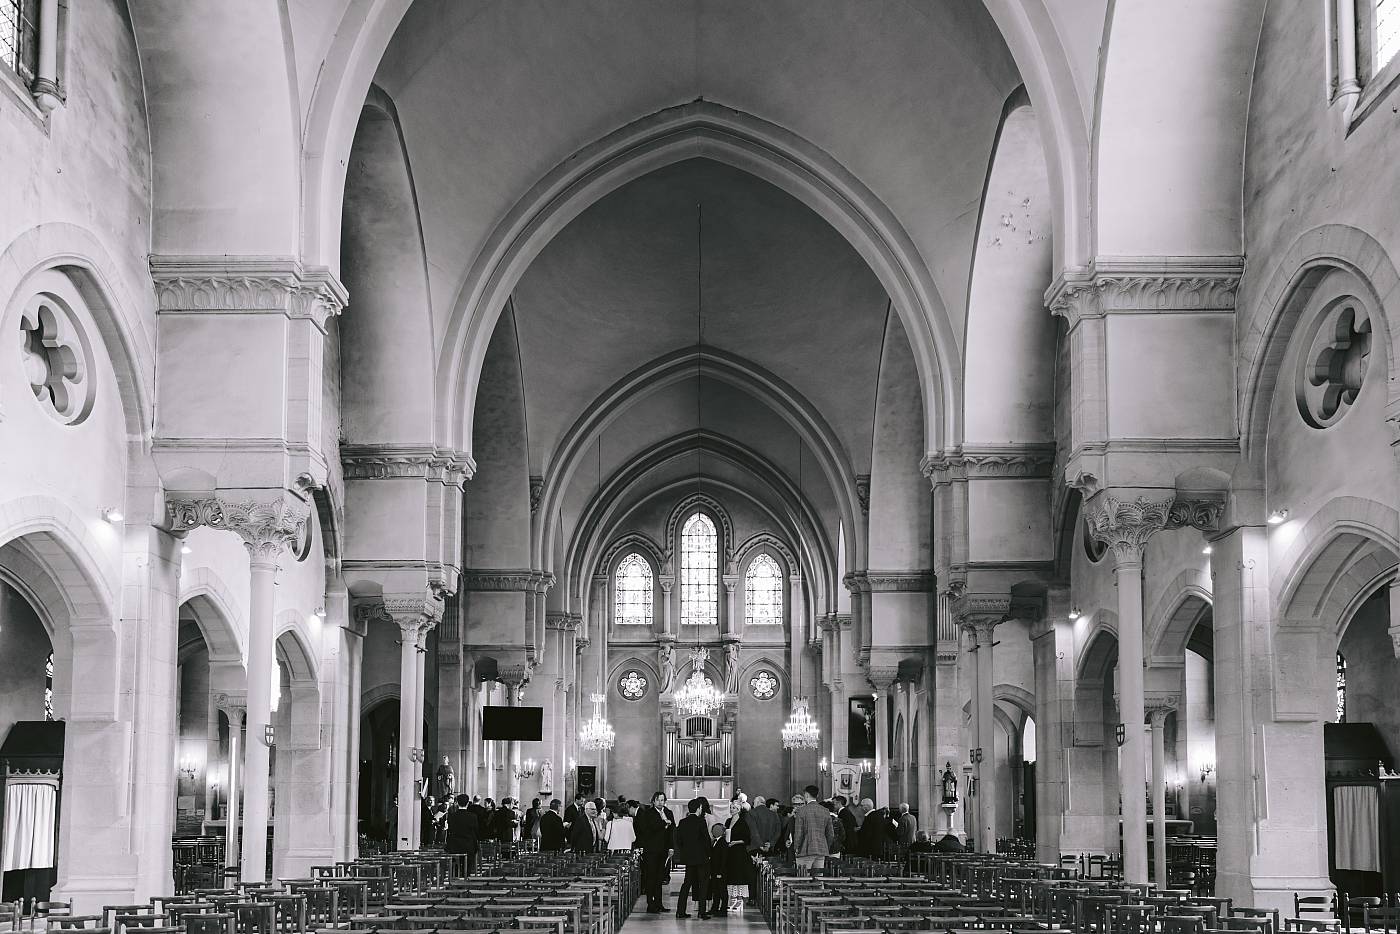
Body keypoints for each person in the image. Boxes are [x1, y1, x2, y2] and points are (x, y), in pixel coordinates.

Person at [636, 791, 677, 913]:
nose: (661, 802)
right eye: (658, 800)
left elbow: (672, 831)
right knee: (651, 877)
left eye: (663, 800)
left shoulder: (668, 813)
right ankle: (650, 904)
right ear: (653, 801)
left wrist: (671, 847)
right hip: (651, 850)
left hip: (664, 850)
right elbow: (648, 829)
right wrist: (664, 823)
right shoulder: (647, 813)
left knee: (660, 878)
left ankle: (659, 904)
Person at [674, 797, 712, 919]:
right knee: (703, 884)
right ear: (699, 808)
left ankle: (680, 911)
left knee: (686, 884)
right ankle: (702, 911)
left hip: (689, 858)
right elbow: (706, 840)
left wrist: (685, 851)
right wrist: (709, 854)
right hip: (701, 858)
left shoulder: (682, 822)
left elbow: (678, 840)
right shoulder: (701, 822)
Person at [791, 785, 834, 873]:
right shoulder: (825, 810)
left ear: (806, 795)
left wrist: (796, 848)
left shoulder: (801, 811)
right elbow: (831, 834)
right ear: (817, 795)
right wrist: (825, 846)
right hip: (821, 850)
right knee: (818, 879)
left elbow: (798, 833)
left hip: (805, 850)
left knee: (803, 880)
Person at [724, 803, 754, 911]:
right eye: (731, 808)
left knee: (739, 875)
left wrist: (735, 842)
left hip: (739, 851)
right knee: (731, 874)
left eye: (734, 808)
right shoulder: (728, 821)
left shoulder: (742, 822)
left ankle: (740, 900)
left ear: (738, 810)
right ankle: (732, 899)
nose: (732, 810)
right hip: (729, 852)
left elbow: (747, 839)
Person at [444, 793, 481, 874]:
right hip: (469, 845)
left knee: (455, 868)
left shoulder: (452, 816)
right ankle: (466, 881)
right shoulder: (473, 816)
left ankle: (455, 880)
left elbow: (450, 830)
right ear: (467, 803)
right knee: (467, 868)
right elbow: (476, 831)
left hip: (455, 845)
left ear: (457, 803)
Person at [706, 823, 729, 916]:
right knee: (715, 891)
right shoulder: (714, 841)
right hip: (714, 871)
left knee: (722, 891)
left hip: (720, 871)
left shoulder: (723, 843)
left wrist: (720, 872)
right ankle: (714, 908)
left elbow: (724, 859)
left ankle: (723, 910)